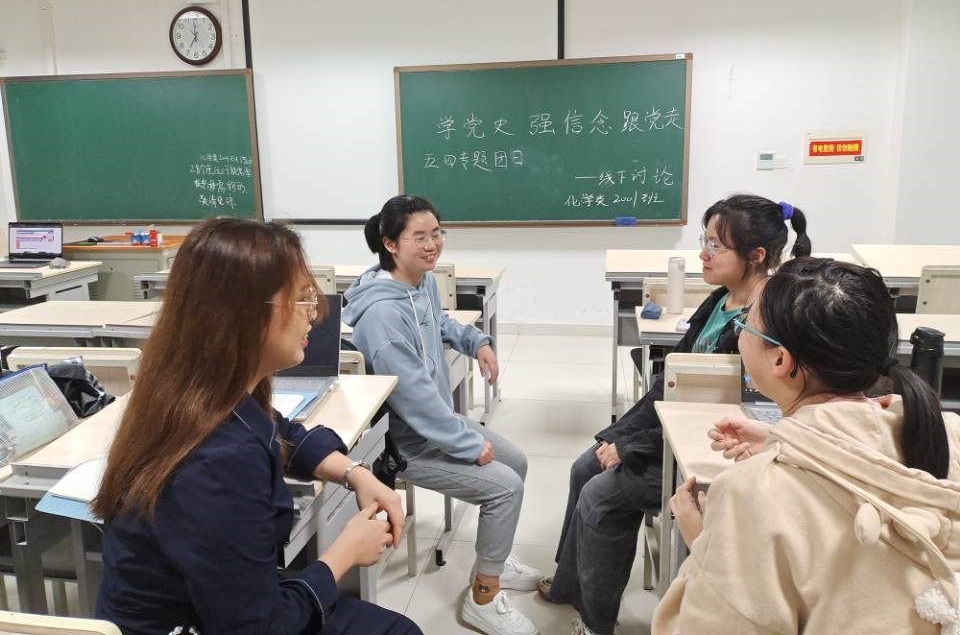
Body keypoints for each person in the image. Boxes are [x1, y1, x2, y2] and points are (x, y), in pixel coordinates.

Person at [94, 218, 421, 635]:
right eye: (301, 299)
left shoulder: (193, 391)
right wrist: (344, 554)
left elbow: (280, 431)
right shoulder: (220, 459)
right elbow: (258, 627)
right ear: (244, 314)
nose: (314, 315)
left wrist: (354, 473)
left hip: (214, 605)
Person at [542, 195, 811, 635]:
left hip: (708, 447)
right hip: (669, 433)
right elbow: (670, 384)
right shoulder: (721, 300)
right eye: (704, 241)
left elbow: (722, 415)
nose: (703, 254)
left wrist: (631, 448)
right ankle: (570, 587)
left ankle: (595, 623)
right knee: (584, 466)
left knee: (601, 497)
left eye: (716, 246)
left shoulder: (764, 322)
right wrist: (619, 436)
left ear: (757, 255)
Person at [655, 258, 960, 634]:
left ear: (780, 359)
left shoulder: (749, 494)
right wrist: (782, 439)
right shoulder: (944, 432)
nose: (741, 332)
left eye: (746, 323)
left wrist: (704, 543)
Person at [343, 195, 541, 635]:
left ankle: (494, 557)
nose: (432, 244)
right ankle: (483, 597)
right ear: (390, 244)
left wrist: (476, 341)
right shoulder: (382, 314)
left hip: (435, 425)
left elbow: (441, 323)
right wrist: (468, 443)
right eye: (419, 237)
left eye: (437, 234)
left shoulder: (421, 282)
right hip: (404, 444)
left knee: (517, 462)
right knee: (505, 488)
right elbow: (414, 398)